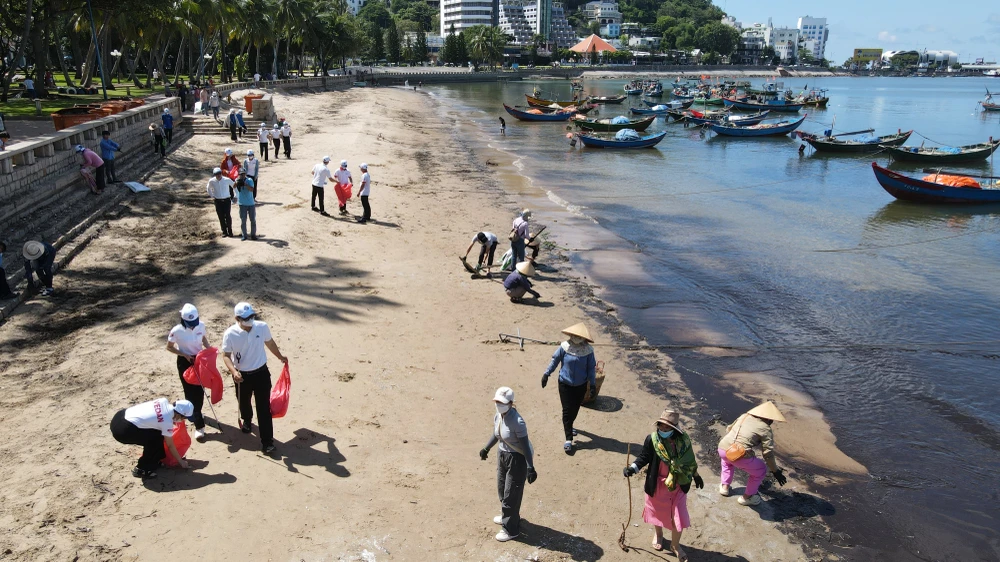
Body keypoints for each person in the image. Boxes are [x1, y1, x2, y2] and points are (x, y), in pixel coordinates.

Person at [623, 409, 704, 559]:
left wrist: (696, 475)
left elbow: (689, 460)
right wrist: (632, 468)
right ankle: (659, 535)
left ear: (674, 429)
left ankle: (675, 545)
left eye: (667, 428)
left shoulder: (683, 440)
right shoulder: (652, 439)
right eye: (661, 426)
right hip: (658, 484)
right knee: (657, 512)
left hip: (678, 485)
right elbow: (643, 457)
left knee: (679, 515)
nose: (663, 430)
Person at [221, 302, 289, 454]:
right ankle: (247, 419)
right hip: (242, 376)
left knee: (264, 408)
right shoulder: (230, 334)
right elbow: (225, 355)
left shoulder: (262, 327)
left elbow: (270, 343)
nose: (249, 321)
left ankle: (267, 442)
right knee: (244, 402)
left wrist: (280, 357)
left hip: (261, 374)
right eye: (245, 318)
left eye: (251, 316)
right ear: (237, 318)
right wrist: (233, 371)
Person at [479, 387, 537, 542]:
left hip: (517, 459)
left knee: (511, 494)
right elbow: (496, 434)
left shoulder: (518, 422)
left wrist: (531, 467)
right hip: (502, 455)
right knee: (502, 488)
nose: (499, 404)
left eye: (502, 402)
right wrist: (486, 448)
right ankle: (508, 517)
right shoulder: (498, 416)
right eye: (497, 401)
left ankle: (511, 529)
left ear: (511, 403)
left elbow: (524, 446)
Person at [717, 401, 788, 506]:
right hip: (739, 455)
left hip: (722, 448)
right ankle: (747, 497)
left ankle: (725, 487)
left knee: (727, 461)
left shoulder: (744, 416)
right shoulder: (765, 428)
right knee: (761, 470)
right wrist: (775, 471)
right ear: (769, 419)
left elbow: (729, 429)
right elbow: (768, 453)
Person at [541, 323, 597, 454]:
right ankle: (568, 439)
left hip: (581, 385)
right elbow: (554, 361)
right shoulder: (564, 347)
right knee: (566, 410)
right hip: (564, 384)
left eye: (579, 336)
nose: (576, 337)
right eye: (574, 335)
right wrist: (546, 374)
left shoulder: (588, 351)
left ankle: (570, 426)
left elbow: (591, 369)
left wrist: (593, 384)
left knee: (575, 409)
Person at [111, 397, 193, 478]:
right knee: (155, 440)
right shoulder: (166, 422)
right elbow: (170, 445)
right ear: (179, 415)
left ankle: (155, 459)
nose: (183, 420)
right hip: (122, 430)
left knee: (157, 433)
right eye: (184, 418)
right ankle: (142, 469)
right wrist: (181, 461)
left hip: (120, 416)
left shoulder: (163, 401)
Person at [166, 303, 211, 442]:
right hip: (185, 362)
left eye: (194, 323)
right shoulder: (176, 331)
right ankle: (199, 426)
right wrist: (183, 354)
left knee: (199, 391)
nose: (193, 326)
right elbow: (169, 347)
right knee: (190, 392)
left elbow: (203, 338)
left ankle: (196, 411)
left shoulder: (201, 325)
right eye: (190, 323)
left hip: (199, 362)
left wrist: (208, 350)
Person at [207, 167, 235, 237]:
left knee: (227, 216)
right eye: (216, 174)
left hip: (226, 200)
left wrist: (236, 196)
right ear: (214, 175)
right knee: (221, 216)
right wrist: (212, 196)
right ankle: (224, 231)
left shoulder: (226, 179)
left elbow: (234, 185)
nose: (218, 175)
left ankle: (230, 231)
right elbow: (208, 188)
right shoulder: (212, 181)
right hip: (218, 201)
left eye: (219, 173)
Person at [236, 171, 257, 240]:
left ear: (245, 174)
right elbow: (233, 186)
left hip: (251, 203)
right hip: (242, 204)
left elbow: (251, 189)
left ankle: (253, 235)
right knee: (243, 220)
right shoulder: (237, 180)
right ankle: (244, 235)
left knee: (253, 220)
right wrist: (237, 183)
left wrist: (245, 184)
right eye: (240, 174)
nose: (242, 175)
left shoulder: (249, 180)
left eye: (243, 174)